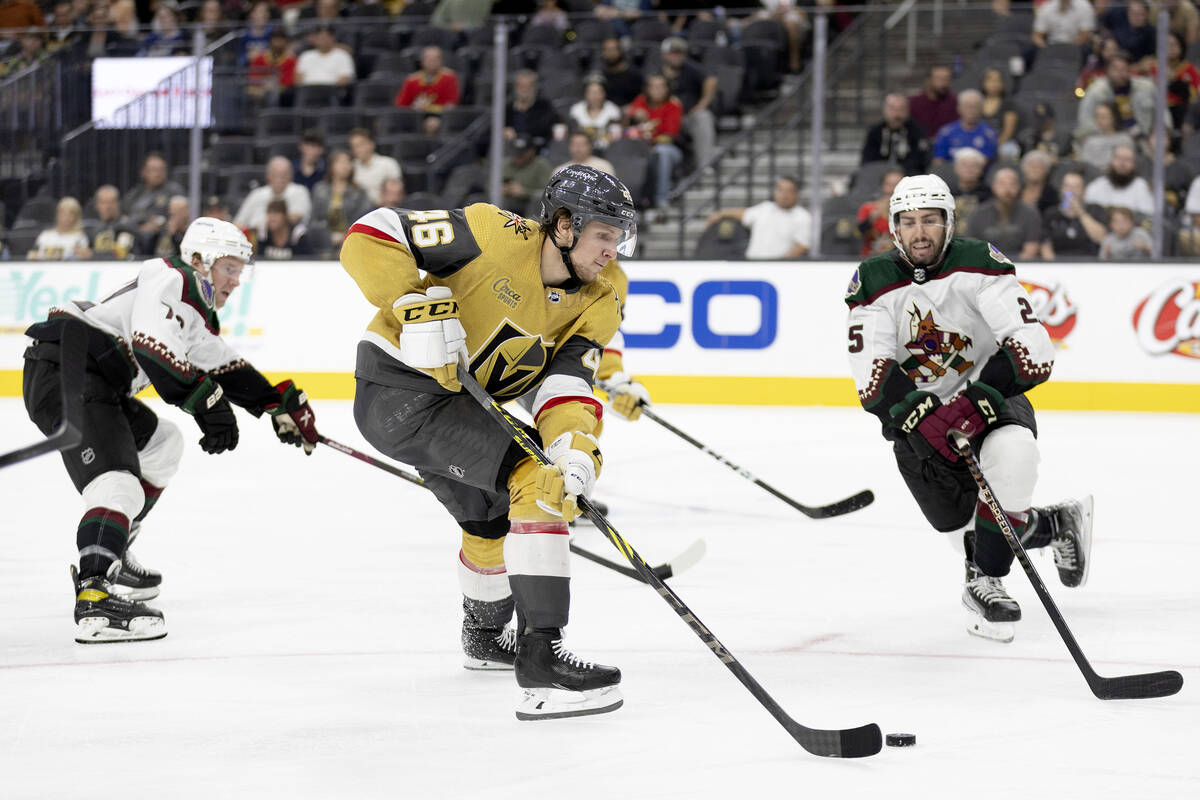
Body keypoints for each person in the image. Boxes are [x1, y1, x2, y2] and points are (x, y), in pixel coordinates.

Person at [341, 166, 637, 719]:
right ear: (565, 226)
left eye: (619, 238)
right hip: (397, 391)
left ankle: (483, 636)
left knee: (492, 511)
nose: (611, 252)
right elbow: (372, 233)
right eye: (603, 235)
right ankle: (543, 661)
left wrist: (575, 448)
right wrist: (412, 303)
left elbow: (566, 387)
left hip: (460, 405)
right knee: (535, 482)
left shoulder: (597, 301)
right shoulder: (490, 234)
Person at [21, 217, 319, 643]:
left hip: (93, 379)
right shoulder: (171, 275)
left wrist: (274, 404)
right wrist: (205, 401)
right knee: (117, 486)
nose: (236, 281)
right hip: (71, 371)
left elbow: (222, 363)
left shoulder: (191, 313)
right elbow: (150, 343)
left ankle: (113, 549)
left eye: (240, 271)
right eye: (230, 268)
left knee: (162, 444)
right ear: (200, 260)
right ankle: (95, 597)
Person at [844, 173, 1093, 643]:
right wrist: (921, 414)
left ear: (949, 222)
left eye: (931, 221)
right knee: (969, 533)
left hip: (992, 404)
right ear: (894, 227)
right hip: (919, 428)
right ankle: (1056, 523)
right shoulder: (873, 280)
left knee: (1013, 458)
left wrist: (978, 398)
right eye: (909, 222)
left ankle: (986, 582)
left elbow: (1032, 349)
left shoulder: (981, 263)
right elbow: (872, 376)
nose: (920, 232)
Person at [705, 176, 811, 259]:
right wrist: (721, 214)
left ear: (797, 194)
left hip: (778, 269)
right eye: (780, 190)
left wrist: (781, 264)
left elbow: (802, 246)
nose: (784, 195)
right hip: (752, 265)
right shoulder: (765, 208)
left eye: (789, 191)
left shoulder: (802, 216)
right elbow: (744, 214)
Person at [659, 36, 718, 169]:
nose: (677, 57)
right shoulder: (656, 71)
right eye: (673, 54)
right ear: (664, 55)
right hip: (662, 117)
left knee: (703, 117)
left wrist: (703, 104)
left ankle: (705, 167)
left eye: (680, 54)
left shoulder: (691, 69)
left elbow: (711, 80)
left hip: (686, 117)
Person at [629, 74, 685, 212]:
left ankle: (661, 199)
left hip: (671, 150)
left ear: (667, 89)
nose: (657, 90)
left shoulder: (673, 105)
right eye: (653, 87)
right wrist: (635, 115)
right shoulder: (640, 101)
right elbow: (629, 117)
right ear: (647, 89)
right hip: (643, 148)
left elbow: (671, 136)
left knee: (661, 151)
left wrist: (651, 138)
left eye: (661, 87)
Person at [1075, 53, 1161, 142]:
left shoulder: (1147, 87)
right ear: (1107, 71)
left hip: (1144, 140)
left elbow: (1162, 115)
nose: (1121, 74)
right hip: (1105, 141)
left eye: (1124, 69)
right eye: (1116, 69)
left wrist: (1159, 135)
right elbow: (1085, 120)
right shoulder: (1096, 91)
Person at [965, 166, 1043, 261]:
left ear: (1019, 187)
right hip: (987, 266)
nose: (1007, 189)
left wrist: (1008, 267)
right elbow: (973, 248)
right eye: (1002, 184)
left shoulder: (1030, 214)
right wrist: (1001, 265)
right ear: (993, 186)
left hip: (1021, 267)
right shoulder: (978, 214)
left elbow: (1031, 249)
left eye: (1012, 184)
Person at [233, 156, 313, 238]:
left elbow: (295, 217)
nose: (279, 179)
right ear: (268, 176)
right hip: (252, 240)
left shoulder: (299, 191)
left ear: (291, 176)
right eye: (275, 174)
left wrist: (260, 226)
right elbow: (238, 222)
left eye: (284, 174)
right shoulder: (256, 194)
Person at [311, 149, 372, 248]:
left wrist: (344, 236)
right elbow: (314, 221)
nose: (345, 166)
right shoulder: (320, 190)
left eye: (348, 162)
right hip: (324, 241)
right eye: (341, 162)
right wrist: (329, 237)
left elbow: (362, 220)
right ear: (332, 166)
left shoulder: (359, 192)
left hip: (352, 241)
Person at [1040, 171, 1107, 258]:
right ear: (1061, 189)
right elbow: (1045, 245)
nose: (1071, 190)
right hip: (1059, 264)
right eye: (1067, 186)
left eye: (1076, 187)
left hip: (1090, 263)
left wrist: (1080, 212)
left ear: (1084, 190)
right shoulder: (1051, 214)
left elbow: (1101, 238)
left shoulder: (1095, 210)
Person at [860, 93, 929, 175]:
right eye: (892, 109)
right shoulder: (874, 132)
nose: (897, 114)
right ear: (885, 110)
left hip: (908, 178)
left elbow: (921, 161)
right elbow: (867, 161)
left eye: (901, 109)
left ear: (907, 111)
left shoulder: (917, 132)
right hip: (879, 178)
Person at [1083, 143, 1154, 215]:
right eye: (1118, 158)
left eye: (1127, 160)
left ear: (1134, 164)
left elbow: (1147, 216)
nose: (1122, 163)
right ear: (1111, 161)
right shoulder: (1097, 185)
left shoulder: (1141, 187)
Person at [123, 153, 185, 234]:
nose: (158, 173)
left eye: (162, 169)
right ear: (144, 172)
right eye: (154, 170)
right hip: (135, 236)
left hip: (162, 237)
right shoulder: (135, 194)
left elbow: (180, 219)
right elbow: (124, 218)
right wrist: (141, 228)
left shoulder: (174, 191)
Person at [932, 90, 998, 165]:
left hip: (979, 173)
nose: (972, 110)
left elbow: (987, 161)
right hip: (949, 174)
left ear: (981, 109)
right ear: (959, 108)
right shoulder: (945, 132)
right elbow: (938, 161)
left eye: (976, 106)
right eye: (968, 106)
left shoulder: (989, 134)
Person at [393, 45, 460, 114]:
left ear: (441, 61)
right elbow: (401, 105)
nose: (432, 62)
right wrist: (415, 107)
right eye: (429, 59)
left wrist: (428, 108)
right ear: (422, 61)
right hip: (415, 116)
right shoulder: (412, 80)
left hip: (440, 117)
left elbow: (451, 105)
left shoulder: (449, 77)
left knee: (432, 123)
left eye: (435, 59)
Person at [857, 167, 905, 256]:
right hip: (871, 258)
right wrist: (872, 217)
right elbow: (858, 234)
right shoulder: (868, 208)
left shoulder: (910, 211)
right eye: (889, 185)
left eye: (897, 185)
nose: (893, 190)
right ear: (883, 186)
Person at [1076, 101, 1137, 171]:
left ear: (1113, 118)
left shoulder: (1125, 140)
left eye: (1103, 117)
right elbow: (1083, 165)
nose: (1099, 120)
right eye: (1097, 116)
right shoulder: (1089, 140)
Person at [500, 136, 554, 215]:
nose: (518, 155)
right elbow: (489, 186)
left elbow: (549, 193)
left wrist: (525, 192)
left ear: (532, 151)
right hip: (506, 205)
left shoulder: (541, 165)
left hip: (530, 208)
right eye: (516, 152)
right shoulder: (505, 164)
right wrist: (499, 189)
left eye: (522, 153)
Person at [504, 70, 559, 145]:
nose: (524, 89)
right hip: (511, 150)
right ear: (515, 87)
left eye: (528, 86)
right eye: (521, 86)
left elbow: (544, 128)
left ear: (534, 88)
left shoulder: (544, 107)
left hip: (537, 150)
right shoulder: (507, 109)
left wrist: (516, 134)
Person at [349, 127, 402, 204]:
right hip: (359, 211)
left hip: (384, 209)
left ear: (371, 144)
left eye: (360, 144)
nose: (357, 150)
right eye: (353, 146)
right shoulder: (351, 167)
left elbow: (395, 193)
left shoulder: (388, 163)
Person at [568, 76, 623, 151]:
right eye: (591, 92)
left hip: (608, 150)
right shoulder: (576, 109)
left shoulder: (613, 110)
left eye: (598, 92)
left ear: (604, 93)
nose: (594, 96)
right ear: (585, 94)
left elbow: (616, 136)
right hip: (582, 150)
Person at [246, 28, 297, 107]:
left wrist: (272, 88)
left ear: (286, 42)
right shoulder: (260, 59)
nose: (278, 43)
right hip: (260, 93)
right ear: (270, 41)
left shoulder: (291, 61)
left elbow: (288, 83)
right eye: (275, 40)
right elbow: (253, 80)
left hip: (282, 95)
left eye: (281, 40)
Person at [294, 25, 355, 89]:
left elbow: (345, 78)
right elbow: (298, 78)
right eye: (320, 37)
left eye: (326, 37)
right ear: (315, 39)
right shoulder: (306, 55)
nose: (323, 40)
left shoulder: (343, 55)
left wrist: (333, 88)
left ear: (332, 38)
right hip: (308, 90)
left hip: (332, 89)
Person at [908, 64, 958, 139]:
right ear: (928, 80)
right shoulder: (914, 103)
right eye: (939, 79)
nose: (944, 83)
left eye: (947, 79)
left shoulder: (956, 102)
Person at [980, 69, 1020, 162]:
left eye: (997, 81)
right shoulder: (977, 101)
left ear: (1003, 84)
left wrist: (993, 147)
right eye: (990, 80)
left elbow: (1008, 131)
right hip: (979, 140)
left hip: (1002, 143)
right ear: (983, 83)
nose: (994, 84)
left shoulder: (1008, 104)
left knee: (1008, 150)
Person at [88, 185, 137, 260]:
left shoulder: (126, 227)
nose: (108, 207)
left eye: (112, 202)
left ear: (118, 204)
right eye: (103, 202)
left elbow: (121, 254)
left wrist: (91, 254)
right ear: (97, 205)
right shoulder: (96, 229)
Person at [949, 146, 992, 223]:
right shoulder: (947, 193)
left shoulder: (989, 195)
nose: (969, 169)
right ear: (956, 168)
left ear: (981, 170)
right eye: (964, 165)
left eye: (974, 166)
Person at [599, 37, 644, 109]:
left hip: (630, 113)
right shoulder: (601, 77)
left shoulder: (634, 75)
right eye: (608, 50)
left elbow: (642, 98)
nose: (611, 53)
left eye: (614, 49)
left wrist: (632, 108)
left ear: (621, 51)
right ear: (603, 53)